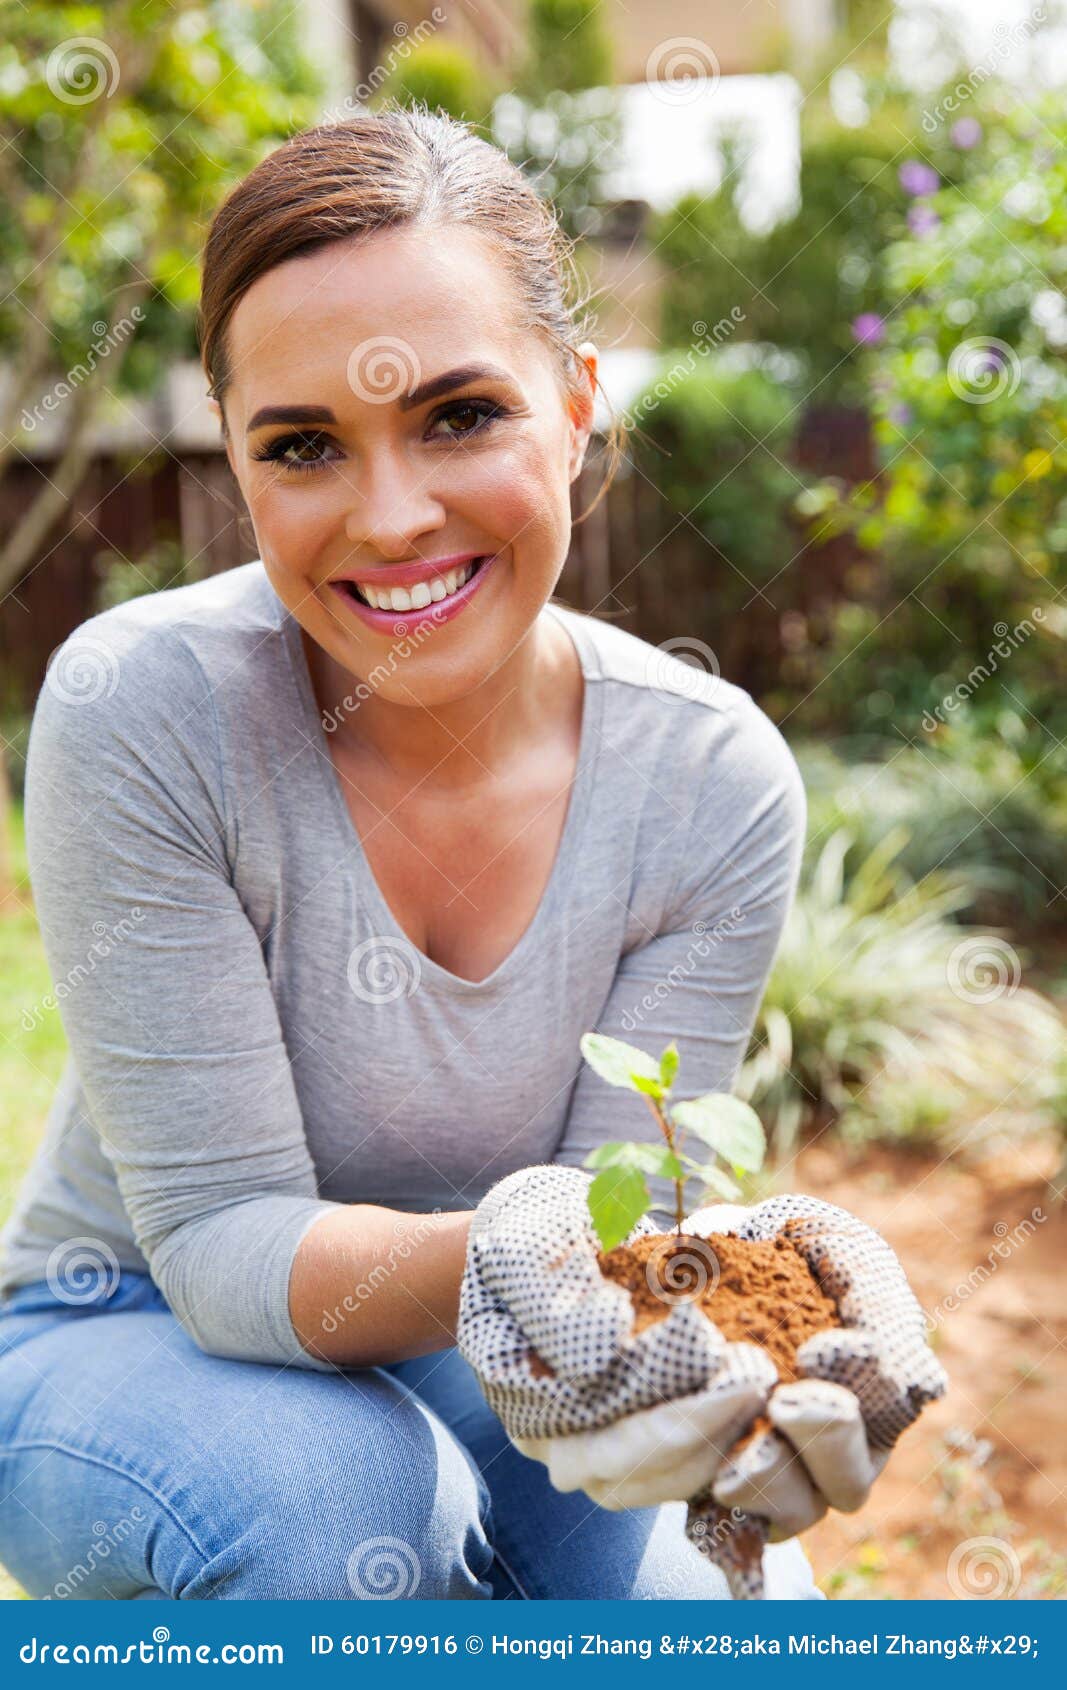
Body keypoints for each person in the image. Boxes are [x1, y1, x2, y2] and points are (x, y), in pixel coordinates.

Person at [0, 105, 824, 1601]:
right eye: (303, 445)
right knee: (342, 1500)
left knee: (723, 1605)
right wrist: (544, 1253)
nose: (392, 519)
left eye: (459, 415)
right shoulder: (147, 709)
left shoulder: (708, 782)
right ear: (238, 467)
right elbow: (222, 1244)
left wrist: (775, 1303)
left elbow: (609, 1262)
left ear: (579, 404)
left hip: (486, 1356)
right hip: (133, 1333)